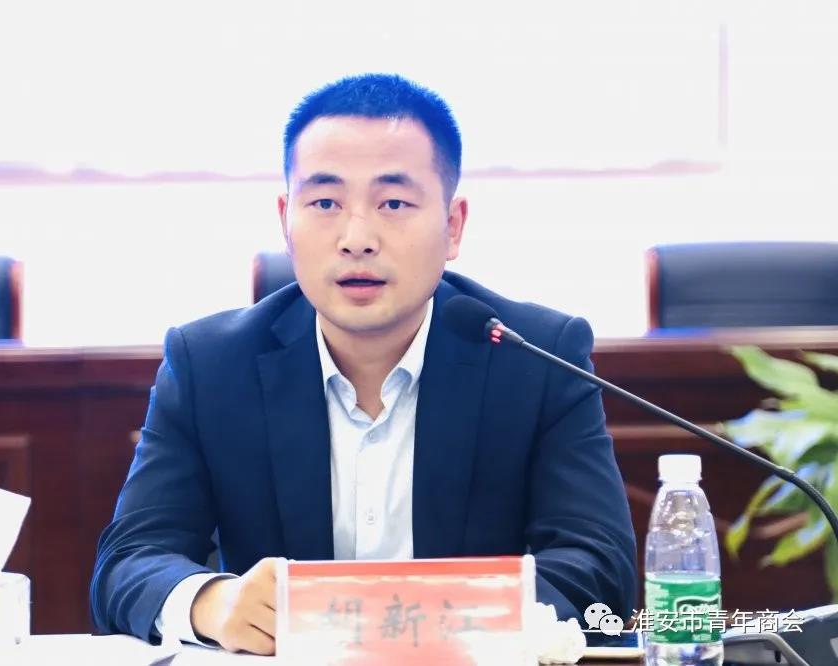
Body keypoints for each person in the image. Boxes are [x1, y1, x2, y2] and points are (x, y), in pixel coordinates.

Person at [90, 73, 636, 654]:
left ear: (452, 226)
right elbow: (129, 561)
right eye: (325, 203)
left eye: (393, 203)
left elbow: (600, 570)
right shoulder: (209, 365)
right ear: (286, 220)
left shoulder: (538, 357)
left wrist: (424, 622)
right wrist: (214, 602)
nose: (357, 238)